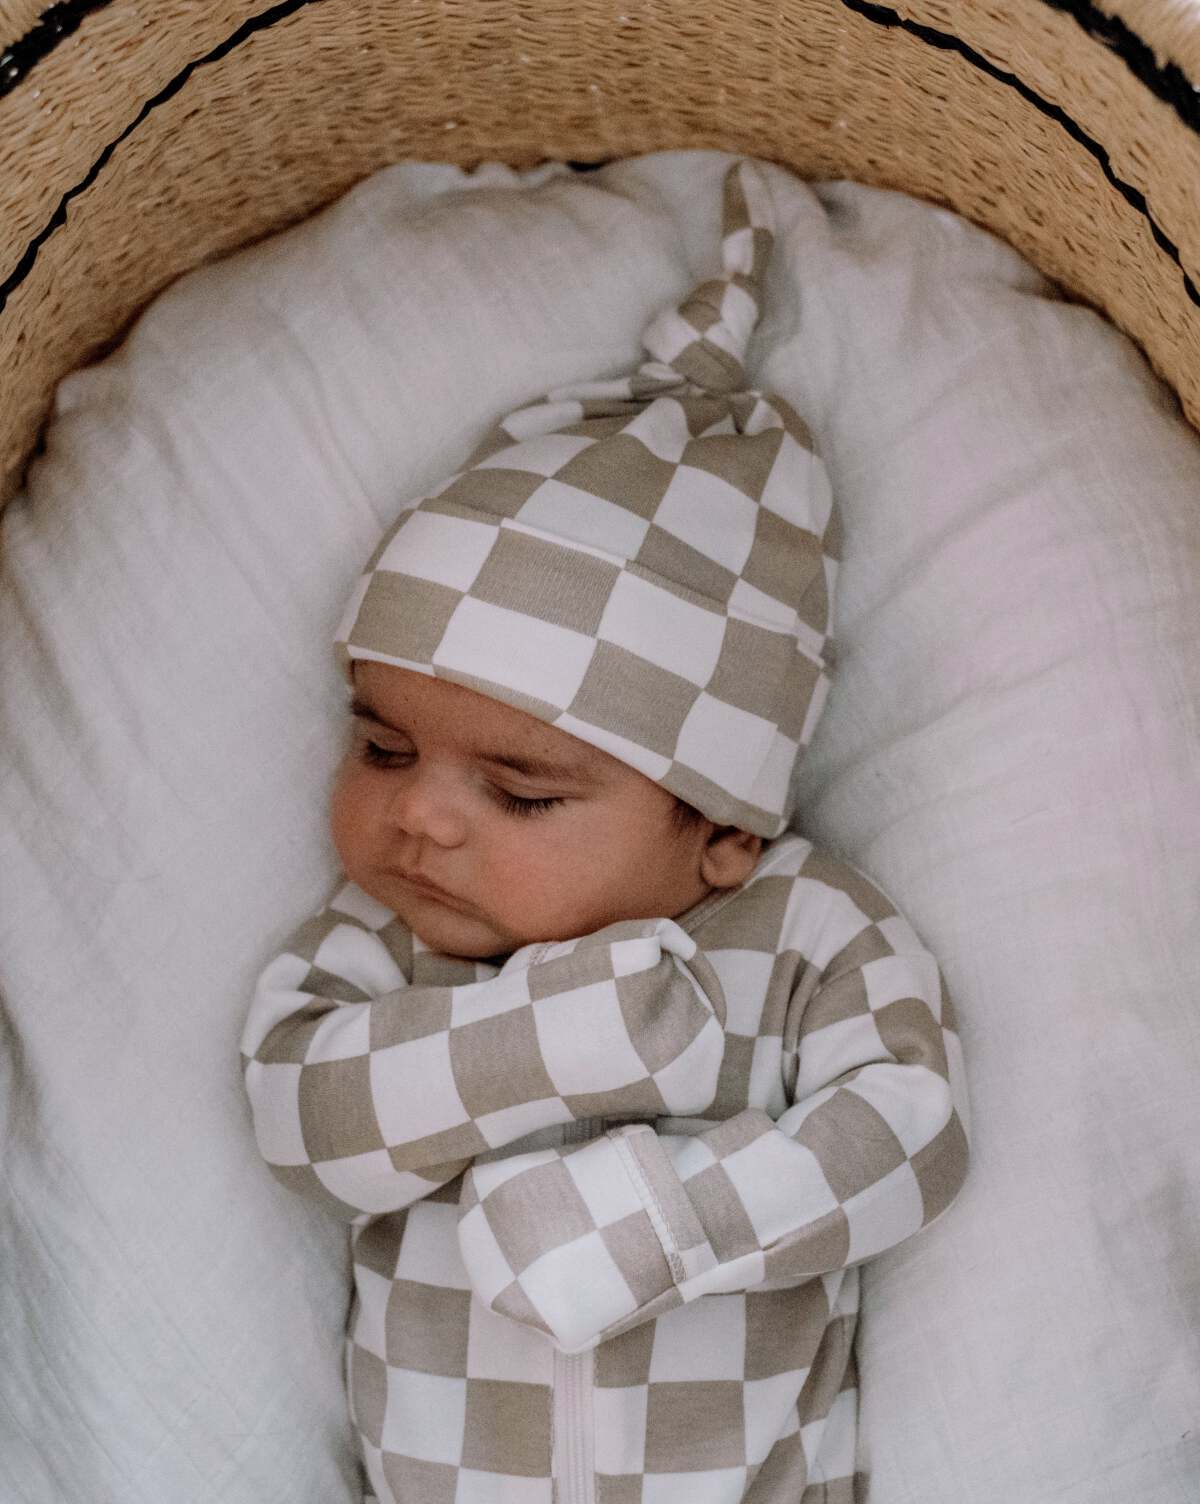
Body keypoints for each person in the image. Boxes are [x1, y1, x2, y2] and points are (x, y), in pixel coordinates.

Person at [239, 159, 970, 1504]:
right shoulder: (387, 953)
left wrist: (669, 1223)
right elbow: (307, 1120)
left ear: (728, 830)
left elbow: (908, 1131)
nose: (419, 815)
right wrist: (539, 1041)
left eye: (521, 792)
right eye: (383, 746)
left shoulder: (803, 933)